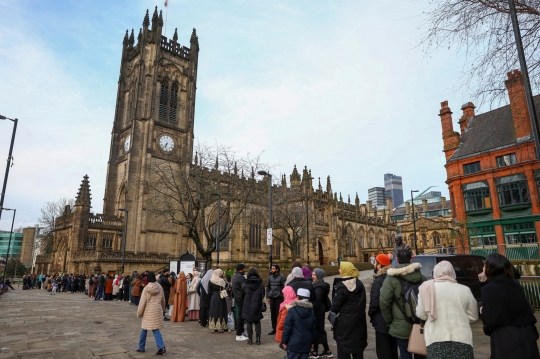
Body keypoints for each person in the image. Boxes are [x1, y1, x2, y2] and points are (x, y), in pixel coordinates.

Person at [479, 253, 539, 359]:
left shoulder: (489, 289)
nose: (483, 267)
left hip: (505, 336)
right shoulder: (514, 283)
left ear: (490, 268)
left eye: (485, 265)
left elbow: (490, 320)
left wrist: (483, 312)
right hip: (526, 333)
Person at [415, 260, 478, 359]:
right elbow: (474, 316)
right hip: (462, 339)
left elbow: (420, 314)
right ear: (453, 272)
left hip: (435, 338)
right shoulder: (465, 289)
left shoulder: (426, 289)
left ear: (435, 272)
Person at [380, 250, 426, 359]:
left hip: (400, 326)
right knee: (421, 353)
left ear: (397, 260)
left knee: (405, 355)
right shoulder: (422, 277)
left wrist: (389, 320)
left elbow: (384, 302)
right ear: (411, 259)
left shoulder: (391, 279)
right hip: (420, 324)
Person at [331, 261, 367, 359]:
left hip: (344, 324)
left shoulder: (340, 287)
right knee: (358, 349)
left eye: (340, 268)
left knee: (343, 350)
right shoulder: (359, 284)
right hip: (359, 322)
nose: (339, 270)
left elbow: (335, 306)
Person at [368, 254, 398, 359]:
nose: (374, 264)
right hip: (395, 319)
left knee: (383, 351)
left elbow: (375, 302)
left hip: (382, 320)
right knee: (393, 349)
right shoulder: (394, 278)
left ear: (380, 266)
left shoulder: (379, 280)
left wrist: (371, 314)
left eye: (375, 262)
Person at [281, 288, 317, 359]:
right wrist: (313, 341)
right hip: (307, 342)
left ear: (297, 297)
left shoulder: (292, 310)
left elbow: (287, 328)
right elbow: (314, 329)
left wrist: (284, 341)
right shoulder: (311, 311)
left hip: (294, 343)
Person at [136, 271, 166, 355]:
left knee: (144, 329)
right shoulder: (159, 286)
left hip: (148, 311)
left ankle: (141, 347)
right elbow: (163, 300)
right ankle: (161, 346)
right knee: (155, 328)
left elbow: (142, 302)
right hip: (157, 310)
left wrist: (139, 313)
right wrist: (163, 309)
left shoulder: (146, 288)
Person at [311, 268, 332, 359]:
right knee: (318, 329)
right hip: (319, 309)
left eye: (314, 275)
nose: (312, 277)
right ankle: (325, 351)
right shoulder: (316, 284)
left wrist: (312, 311)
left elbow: (317, 301)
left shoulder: (319, 287)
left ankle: (318, 352)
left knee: (319, 329)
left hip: (318, 310)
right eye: (312, 274)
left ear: (319, 276)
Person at [241, 268, 265, 345]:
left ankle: (250, 339)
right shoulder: (260, 284)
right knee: (257, 321)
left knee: (249, 322)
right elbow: (263, 294)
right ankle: (258, 339)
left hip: (247, 305)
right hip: (257, 305)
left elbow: (242, 294)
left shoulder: (245, 283)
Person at [266, 264, 286, 335]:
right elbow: (267, 287)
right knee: (273, 314)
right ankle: (274, 328)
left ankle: (279, 328)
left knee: (279, 314)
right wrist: (268, 296)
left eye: (273, 269)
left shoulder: (282, 277)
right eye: (272, 268)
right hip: (272, 298)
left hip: (279, 298)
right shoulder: (270, 277)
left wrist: (282, 295)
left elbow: (284, 287)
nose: (272, 270)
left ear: (277, 269)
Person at [208, 268, 229, 332]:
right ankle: (224, 327)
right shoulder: (221, 281)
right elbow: (227, 285)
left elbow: (209, 291)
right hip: (221, 297)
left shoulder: (211, 280)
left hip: (214, 297)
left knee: (214, 311)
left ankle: (215, 327)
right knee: (222, 310)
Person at [232, 264, 249, 341]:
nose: (245, 270)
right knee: (241, 316)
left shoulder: (236, 276)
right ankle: (239, 334)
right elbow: (245, 287)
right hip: (241, 298)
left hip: (237, 297)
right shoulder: (240, 277)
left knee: (241, 315)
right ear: (241, 269)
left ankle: (241, 332)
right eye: (244, 268)